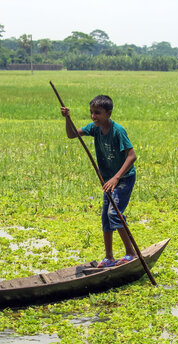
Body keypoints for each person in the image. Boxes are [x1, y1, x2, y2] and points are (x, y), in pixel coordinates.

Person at [61, 95, 137, 268]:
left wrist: (116, 177)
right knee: (105, 217)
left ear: (108, 114)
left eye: (97, 113)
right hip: (108, 180)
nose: (93, 116)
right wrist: (68, 119)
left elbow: (132, 156)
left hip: (123, 178)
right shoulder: (94, 129)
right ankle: (109, 257)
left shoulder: (118, 131)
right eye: (91, 112)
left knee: (114, 214)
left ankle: (130, 253)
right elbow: (72, 134)